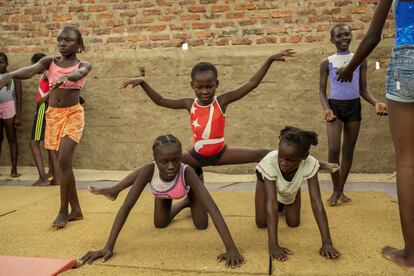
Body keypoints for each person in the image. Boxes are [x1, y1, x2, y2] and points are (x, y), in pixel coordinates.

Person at [89, 50, 339, 201]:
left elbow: (251, 83)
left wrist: (269, 60)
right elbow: (161, 100)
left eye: (210, 86)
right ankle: (115, 189)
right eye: (200, 87)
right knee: (151, 166)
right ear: (192, 86)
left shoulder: (222, 101)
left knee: (265, 153)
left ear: (217, 84)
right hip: (197, 156)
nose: (205, 91)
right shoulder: (190, 103)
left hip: (221, 153)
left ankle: (318, 164)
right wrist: (143, 82)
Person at [81, 135, 244, 268]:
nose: (171, 166)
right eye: (164, 162)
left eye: (175, 160)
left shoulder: (187, 172)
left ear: (181, 157)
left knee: (201, 224)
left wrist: (231, 248)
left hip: (188, 188)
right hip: (163, 193)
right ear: (155, 159)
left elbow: (213, 208)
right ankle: (184, 203)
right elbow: (127, 206)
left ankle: (191, 200)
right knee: (160, 223)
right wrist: (108, 247)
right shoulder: (148, 171)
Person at [336, 0, 414, 271]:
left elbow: (372, 37)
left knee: (407, 161)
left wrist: (349, 69)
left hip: (408, 59)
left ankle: (410, 256)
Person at [0, 25, 92, 229]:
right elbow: (31, 70)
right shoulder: (49, 62)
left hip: (73, 115)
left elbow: (81, 73)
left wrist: (67, 77)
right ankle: (76, 209)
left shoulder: (84, 64)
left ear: (79, 45)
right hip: (53, 115)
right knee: (65, 164)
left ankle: (63, 210)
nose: (62, 43)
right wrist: (10, 75)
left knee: (63, 161)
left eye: (68, 40)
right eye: (59, 39)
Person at [319, 23, 388, 206]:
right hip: (335, 109)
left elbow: (363, 90)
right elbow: (321, 92)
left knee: (348, 151)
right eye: (339, 36)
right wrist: (327, 109)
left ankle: (340, 190)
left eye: (346, 35)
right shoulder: (327, 62)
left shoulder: (359, 60)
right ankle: (335, 189)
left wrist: (376, 103)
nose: (343, 39)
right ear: (332, 39)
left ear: (351, 36)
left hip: (353, 108)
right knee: (333, 149)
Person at [255, 126, 340, 262]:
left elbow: (316, 202)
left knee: (294, 223)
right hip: (266, 183)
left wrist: (327, 243)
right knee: (261, 223)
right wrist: (273, 245)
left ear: (303, 157)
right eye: (281, 157)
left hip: (289, 185)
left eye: (289, 160)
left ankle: (288, 191)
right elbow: (270, 203)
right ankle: (281, 197)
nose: (283, 162)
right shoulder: (269, 162)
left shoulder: (309, 162)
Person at [29, 53, 54, 186]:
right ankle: (52, 173)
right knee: (50, 143)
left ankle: (43, 178)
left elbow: (58, 86)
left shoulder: (46, 73)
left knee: (34, 143)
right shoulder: (47, 73)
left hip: (43, 109)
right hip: (47, 108)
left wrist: (44, 98)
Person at [0, 52, 22, 177]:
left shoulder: (13, 77)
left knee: (12, 138)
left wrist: (18, 116)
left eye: (2, 62)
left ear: (7, 63)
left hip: (9, 107)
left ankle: (14, 169)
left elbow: (19, 97)